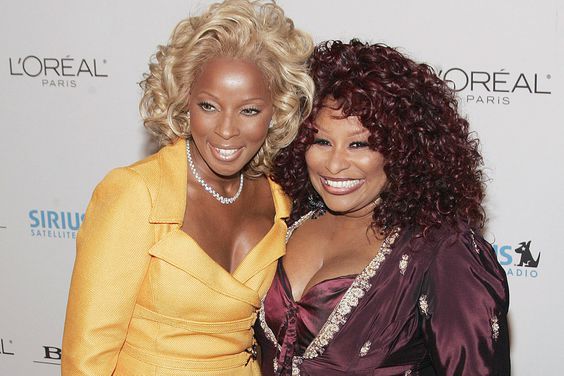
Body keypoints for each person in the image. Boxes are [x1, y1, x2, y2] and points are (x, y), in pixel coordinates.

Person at [61, 1, 314, 374]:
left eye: (249, 110)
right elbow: (88, 355)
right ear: (184, 102)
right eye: (209, 106)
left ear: (277, 111)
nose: (226, 130)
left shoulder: (279, 201)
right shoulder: (136, 194)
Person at [255, 40, 510, 375]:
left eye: (359, 144)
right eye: (321, 141)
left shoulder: (442, 252)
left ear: (402, 149)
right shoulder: (286, 218)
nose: (334, 164)